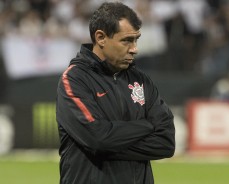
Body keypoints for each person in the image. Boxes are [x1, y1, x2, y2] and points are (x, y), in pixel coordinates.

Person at [56, 2, 175, 184]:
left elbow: (166, 143)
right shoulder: (74, 80)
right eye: (126, 40)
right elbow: (98, 138)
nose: (134, 48)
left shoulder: (141, 81)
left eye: (136, 39)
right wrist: (148, 125)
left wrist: (107, 144)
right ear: (101, 37)